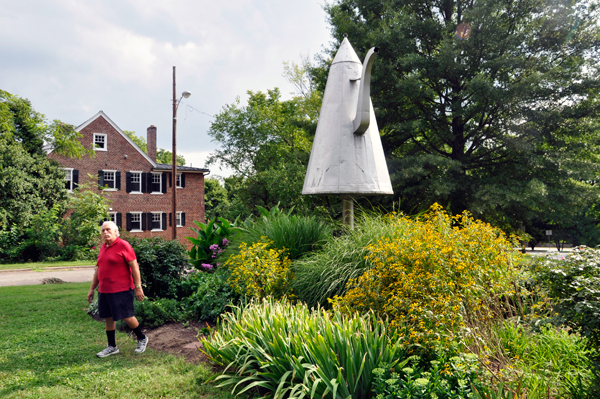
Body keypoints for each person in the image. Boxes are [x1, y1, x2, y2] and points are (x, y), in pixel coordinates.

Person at [87, 221, 148, 358]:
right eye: (103, 230)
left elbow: (134, 267)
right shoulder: (103, 247)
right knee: (108, 318)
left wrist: (138, 287)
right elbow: (98, 270)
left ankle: (142, 337)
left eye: (108, 230)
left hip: (121, 289)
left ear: (116, 231)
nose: (105, 232)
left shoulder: (123, 245)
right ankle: (112, 346)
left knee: (126, 316)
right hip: (104, 290)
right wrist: (92, 289)